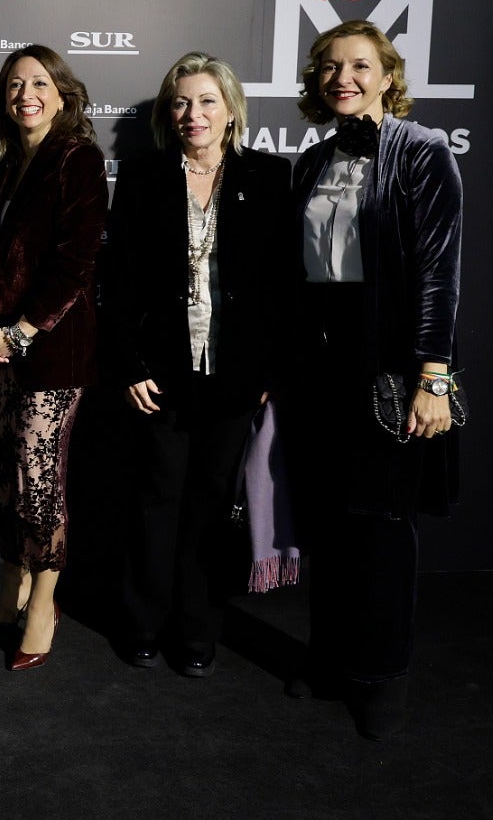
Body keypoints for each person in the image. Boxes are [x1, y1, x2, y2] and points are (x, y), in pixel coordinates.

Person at [287, 19, 463, 739]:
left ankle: (383, 677)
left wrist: (434, 374)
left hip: (389, 355)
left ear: (388, 76)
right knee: (329, 517)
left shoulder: (422, 151)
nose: (344, 79)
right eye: (330, 67)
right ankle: (332, 658)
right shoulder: (311, 160)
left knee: (384, 524)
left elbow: (439, 271)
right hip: (320, 358)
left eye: (360, 65)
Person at [103, 53, 291, 676]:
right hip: (160, 374)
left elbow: (281, 287)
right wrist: (130, 365)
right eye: (182, 102)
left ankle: (197, 630)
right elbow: (119, 283)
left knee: (212, 504)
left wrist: (267, 375)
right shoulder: (144, 176)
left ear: (231, 108)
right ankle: (143, 623)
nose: (194, 113)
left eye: (208, 100)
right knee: (156, 497)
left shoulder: (269, 177)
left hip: (236, 376)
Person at [0, 45, 106, 670]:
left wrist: (21, 332)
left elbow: (76, 264)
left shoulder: (77, 157)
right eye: (14, 85)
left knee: (37, 477)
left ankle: (45, 604)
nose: (26, 94)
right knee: (2, 473)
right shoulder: (7, 163)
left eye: (39, 83)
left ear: (62, 93)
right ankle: (12, 587)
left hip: (52, 350)